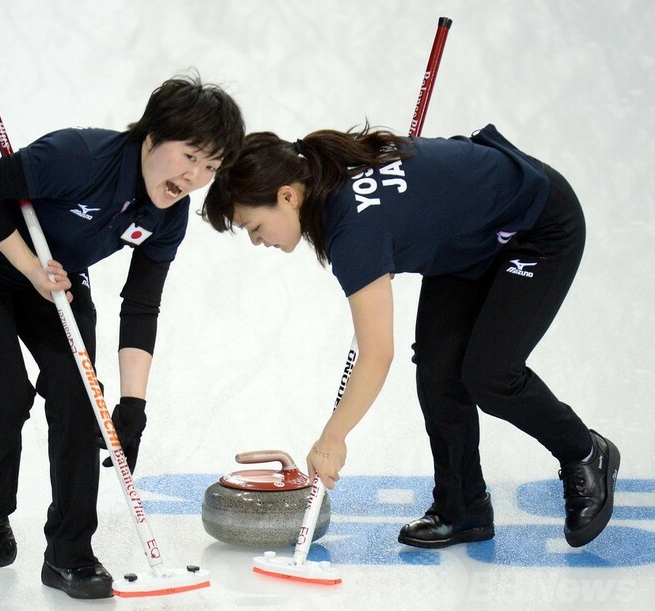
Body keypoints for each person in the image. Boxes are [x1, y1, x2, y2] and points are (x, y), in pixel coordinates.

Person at [200, 123, 619, 551]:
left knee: (490, 375)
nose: (256, 240)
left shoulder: (354, 232)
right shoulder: (329, 177)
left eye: (254, 226)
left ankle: (584, 452)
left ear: (287, 196)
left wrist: (332, 438)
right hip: (469, 239)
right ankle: (462, 506)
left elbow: (377, 354)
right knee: (438, 369)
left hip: (536, 223)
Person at [0, 75, 244, 598]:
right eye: (190, 156)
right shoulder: (77, 156)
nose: (195, 176)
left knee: (80, 399)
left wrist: (133, 406)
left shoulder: (169, 215)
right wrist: (28, 267)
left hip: (54, 276)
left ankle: (69, 554)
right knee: (4, 394)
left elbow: (141, 304)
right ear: (152, 135)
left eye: (210, 167)